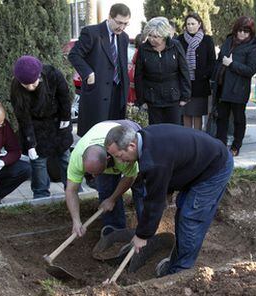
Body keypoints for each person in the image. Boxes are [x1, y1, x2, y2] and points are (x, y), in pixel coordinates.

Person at [104, 124, 233, 277]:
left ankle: (180, 273)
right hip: (197, 166)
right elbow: (172, 162)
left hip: (214, 168)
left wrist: (142, 235)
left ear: (131, 146)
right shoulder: (145, 140)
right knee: (183, 211)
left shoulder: (154, 160)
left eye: (119, 156)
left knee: (190, 218)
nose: (119, 161)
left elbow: (154, 201)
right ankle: (177, 261)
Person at [65, 120, 145, 237]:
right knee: (106, 192)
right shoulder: (77, 158)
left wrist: (113, 199)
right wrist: (76, 221)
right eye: (90, 173)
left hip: (126, 134)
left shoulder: (123, 154)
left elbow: (131, 177)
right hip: (102, 137)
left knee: (141, 190)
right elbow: (71, 190)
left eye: (97, 172)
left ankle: (146, 231)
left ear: (107, 159)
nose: (93, 177)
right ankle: (115, 232)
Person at [10, 55, 73, 199]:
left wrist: (65, 118)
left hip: (58, 122)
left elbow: (64, 97)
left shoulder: (53, 75)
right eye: (26, 85)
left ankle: (73, 189)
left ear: (39, 75)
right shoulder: (16, 88)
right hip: (35, 125)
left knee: (65, 157)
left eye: (33, 83)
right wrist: (30, 143)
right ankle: (40, 194)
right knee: (38, 162)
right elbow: (23, 118)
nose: (30, 88)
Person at [68, 3, 131, 137]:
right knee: (95, 135)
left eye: (126, 24)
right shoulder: (92, 33)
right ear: (110, 17)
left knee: (114, 135)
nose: (122, 27)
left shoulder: (124, 37)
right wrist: (88, 73)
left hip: (118, 93)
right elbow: (74, 55)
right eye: (119, 22)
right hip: (97, 92)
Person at [212, 16, 256, 156]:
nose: (243, 34)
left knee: (239, 119)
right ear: (236, 30)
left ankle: (236, 146)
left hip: (239, 88)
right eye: (240, 30)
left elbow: (251, 70)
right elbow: (220, 59)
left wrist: (232, 64)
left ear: (251, 33)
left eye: (246, 31)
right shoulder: (228, 41)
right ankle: (220, 145)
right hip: (222, 86)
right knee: (222, 118)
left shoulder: (252, 47)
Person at [135, 17, 191, 125]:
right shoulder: (143, 49)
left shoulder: (176, 46)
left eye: (156, 36)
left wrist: (185, 96)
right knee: (156, 131)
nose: (152, 39)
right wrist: (141, 100)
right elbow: (139, 76)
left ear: (164, 36)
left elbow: (184, 71)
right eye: (150, 35)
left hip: (173, 98)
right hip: (152, 99)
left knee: (174, 131)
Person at [178, 12, 216, 130]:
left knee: (198, 115)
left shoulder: (207, 40)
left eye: (193, 23)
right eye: (188, 24)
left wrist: (204, 74)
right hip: (184, 83)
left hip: (200, 84)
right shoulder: (180, 39)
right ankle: (187, 140)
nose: (190, 26)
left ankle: (198, 140)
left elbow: (212, 62)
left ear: (199, 24)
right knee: (186, 114)